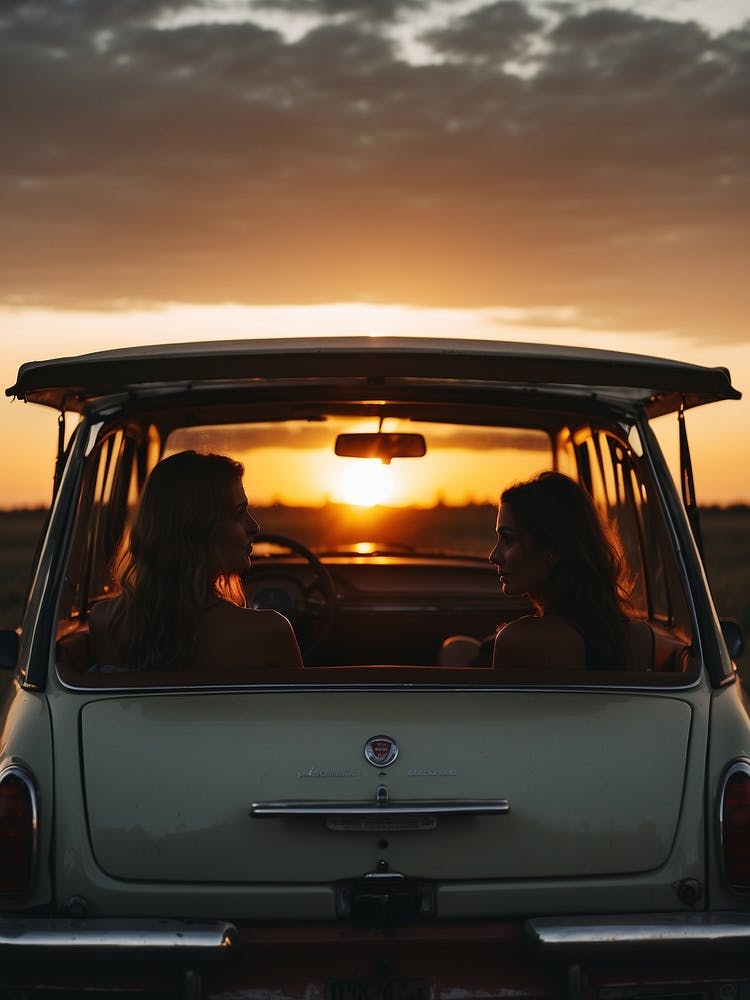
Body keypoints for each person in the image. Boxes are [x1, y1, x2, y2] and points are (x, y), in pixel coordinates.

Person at [89, 450, 303, 671]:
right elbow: (300, 705)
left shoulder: (105, 622)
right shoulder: (269, 631)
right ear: (198, 529)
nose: (254, 527)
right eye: (239, 513)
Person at [487, 471, 652, 670]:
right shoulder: (639, 637)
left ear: (555, 549)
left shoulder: (517, 639)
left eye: (508, 539)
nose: (493, 556)